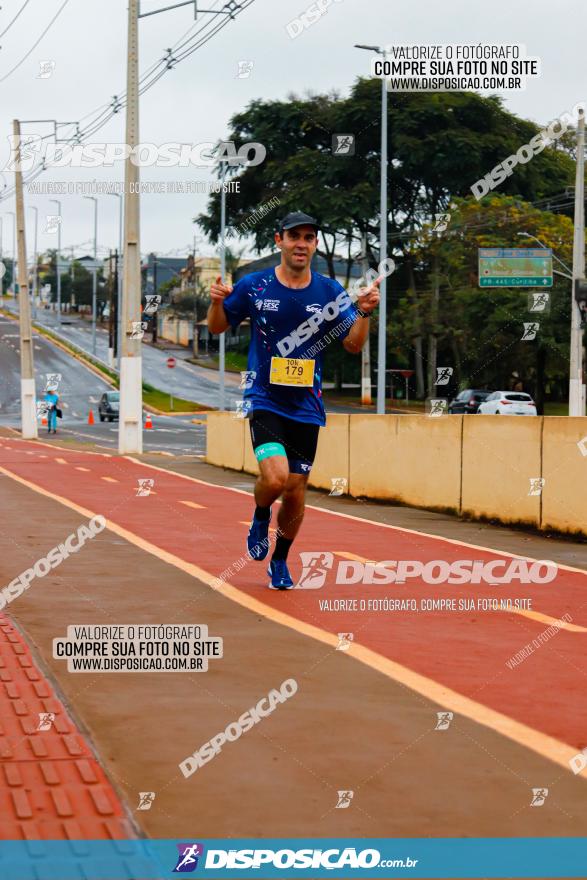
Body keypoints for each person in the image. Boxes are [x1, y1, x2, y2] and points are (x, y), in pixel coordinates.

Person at [207, 211, 379, 590]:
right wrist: (217, 302)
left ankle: (280, 560)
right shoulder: (255, 286)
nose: (301, 243)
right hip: (265, 398)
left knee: (297, 489)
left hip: (307, 406)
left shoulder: (329, 292)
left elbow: (353, 344)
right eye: (294, 236)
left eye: (309, 237)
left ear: (315, 244)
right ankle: (259, 514)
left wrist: (365, 311)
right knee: (277, 477)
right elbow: (218, 327)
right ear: (279, 240)